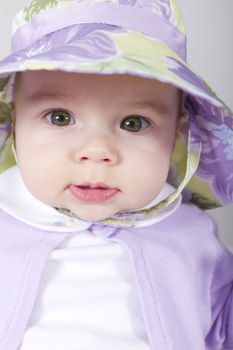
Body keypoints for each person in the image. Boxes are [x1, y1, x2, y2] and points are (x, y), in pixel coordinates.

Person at [0, 0, 232, 349]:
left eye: (134, 123)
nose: (97, 151)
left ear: (176, 136)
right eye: (60, 117)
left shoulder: (193, 239)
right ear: (14, 125)